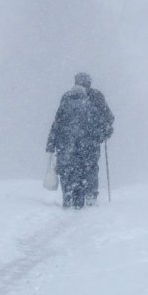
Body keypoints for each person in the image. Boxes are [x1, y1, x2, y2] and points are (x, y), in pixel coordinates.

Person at [46, 73, 114, 208]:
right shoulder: (96, 97)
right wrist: (103, 134)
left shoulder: (66, 98)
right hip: (89, 143)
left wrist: (51, 143)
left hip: (66, 143)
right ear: (89, 82)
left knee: (68, 169)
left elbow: (57, 122)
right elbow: (108, 119)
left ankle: (69, 196)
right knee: (89, 167)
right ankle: (89, 195)